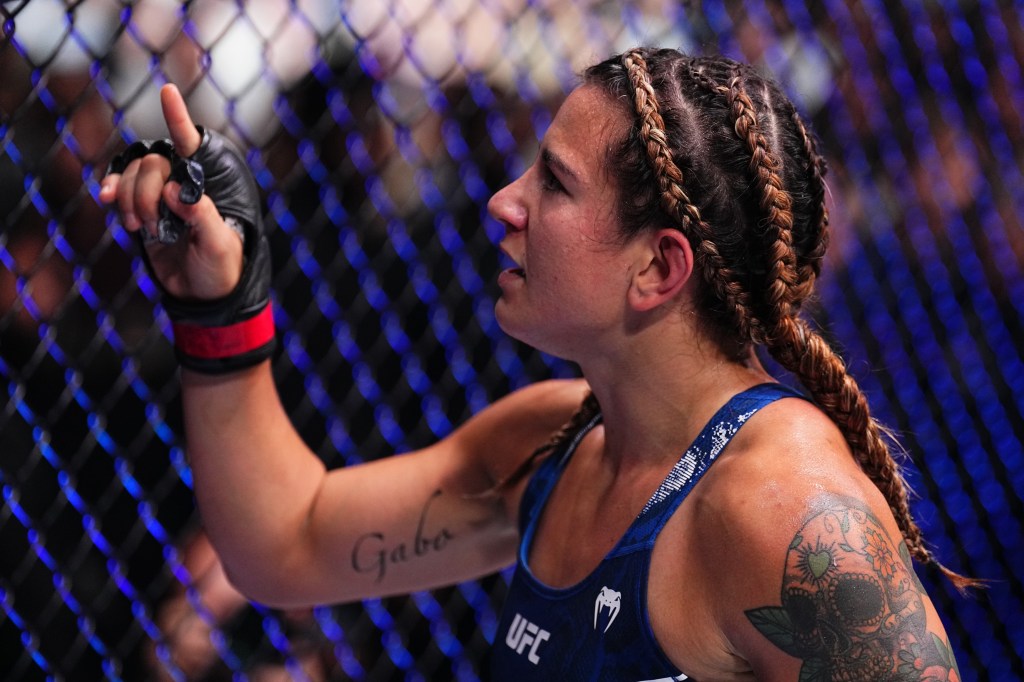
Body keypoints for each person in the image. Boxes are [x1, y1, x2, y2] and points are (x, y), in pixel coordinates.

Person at [99, 47, 969, 681]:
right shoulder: (556, 442)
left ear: (659, 269)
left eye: (552, 183)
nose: (502, 201)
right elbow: (288, 541)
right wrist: (219, 307)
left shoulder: (780, 508)